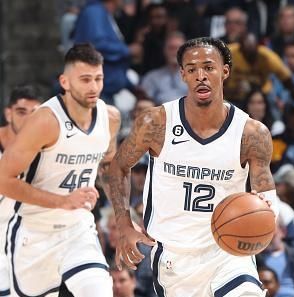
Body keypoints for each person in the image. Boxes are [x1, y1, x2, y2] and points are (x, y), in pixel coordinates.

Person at [107, 37, 279, 296]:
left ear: (225, 71)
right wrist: (124, 225)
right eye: (192, 69)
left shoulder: (251, 133)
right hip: (175, 257)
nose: (201, 75)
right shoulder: (156, 122)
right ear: (182, 75)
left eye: (209, 67)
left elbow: (266, 193)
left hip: (229, 253)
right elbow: (118, 167)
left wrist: (265, 212)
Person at [0, 44, 121, 296]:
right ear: (65, 81)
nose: (93, 87)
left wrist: (122, 217)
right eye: (85, 79)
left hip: (78, 229)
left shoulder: (110, 118)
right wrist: (62, 201)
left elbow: (109, 166)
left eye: (98, 79)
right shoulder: (45, 120)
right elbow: (3, 180)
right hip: (34, 233)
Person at [0, 85, 42, 297]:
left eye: (34, 114)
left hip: (30, 237)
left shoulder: (45, 148)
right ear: (8, 113)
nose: (28, 120)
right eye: (21, 112)